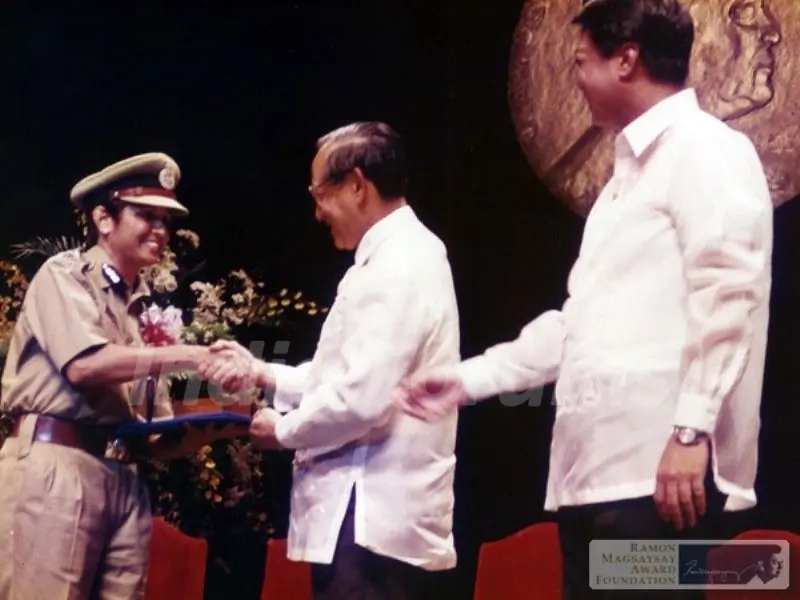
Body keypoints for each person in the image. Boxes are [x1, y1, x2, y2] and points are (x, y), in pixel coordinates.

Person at [394, 1, 773, 599]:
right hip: (595, 478)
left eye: (579, 62)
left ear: (626, 60)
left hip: (657, 480)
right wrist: (468, 380)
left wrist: (690, 432)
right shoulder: (620, 186)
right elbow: (579, 325)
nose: (574, 80)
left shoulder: (706, 149)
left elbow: (731, 296)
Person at [203, 122, 461, 599]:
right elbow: (344, 377)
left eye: (320, 195)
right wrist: (263, 373)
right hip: (366, 521)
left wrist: (282, 430)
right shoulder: (392, 257)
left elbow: (361, 400)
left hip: (370, 522)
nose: (318, 212)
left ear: (357, 185)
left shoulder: (399, 263)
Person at [0, 152, 229, 599]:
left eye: (167, 221)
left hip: (124, 477)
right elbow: (85, 365)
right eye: (147, 216)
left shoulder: (145, 309)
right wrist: (192, 355)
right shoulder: (65, 275)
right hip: (58, 467)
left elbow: (152, 436)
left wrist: (214, 427)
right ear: (104, 218)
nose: (161, 231)